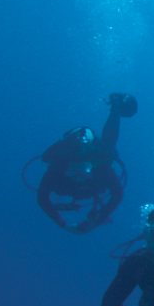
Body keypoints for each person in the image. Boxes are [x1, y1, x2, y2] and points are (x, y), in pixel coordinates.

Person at [37, 93, 137, 234]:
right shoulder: (58, 167)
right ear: (66, 169)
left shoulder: (101, 167)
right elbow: (41, 197)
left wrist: (95, 223)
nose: (78, 177)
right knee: (107, 147)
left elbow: (117, 195)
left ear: (92, 168)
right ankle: (116, 108)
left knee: (108, 148)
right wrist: (62, 224)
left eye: (83, 172)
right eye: (73, 171)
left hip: (98, 156)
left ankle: (116, 108)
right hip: (85, 156)